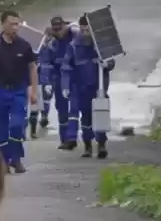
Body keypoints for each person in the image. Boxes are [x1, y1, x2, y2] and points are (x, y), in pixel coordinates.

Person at [0, 10, 38, 173]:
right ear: (3, 25)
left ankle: (16, 159)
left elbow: (32, 68)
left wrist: (33, 91)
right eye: (12, 24)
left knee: (17, 125)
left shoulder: (24, 46)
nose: (15, 27)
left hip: (18, 91)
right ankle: (4, 162)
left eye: (17, 24)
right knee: (1, 128)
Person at [61, 15, 116, 159]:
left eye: (88, 29)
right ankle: (88, 147)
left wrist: (107, 64)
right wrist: (65, 85)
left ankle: (102, 145)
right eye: (83, 29)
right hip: (80, 89)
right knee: (86, 118)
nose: (85, 32)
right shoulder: (73, 46)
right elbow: (66, 67)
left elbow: (111, 62)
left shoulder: (101, 46)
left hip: (99, 89)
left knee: (100, 117)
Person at [36, 16, 79, 148]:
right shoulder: (50, 43)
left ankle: (72, 137)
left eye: (60, 28)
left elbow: (78, 29)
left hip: (75, 77)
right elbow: (45, 62)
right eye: (55, 29)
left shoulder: (73, 35)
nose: (58, 31)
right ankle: (64, 139)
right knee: (62, 109)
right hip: (58, 78)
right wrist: (46, 81)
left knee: (75, 108)